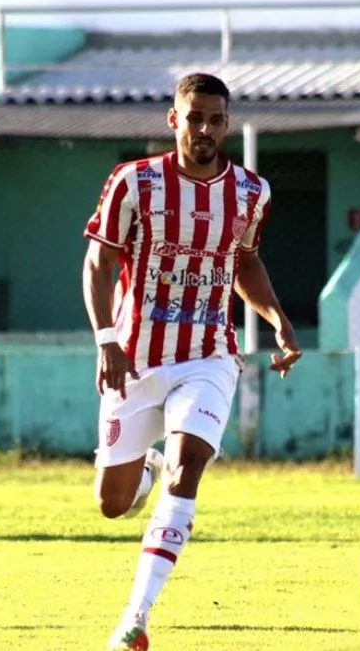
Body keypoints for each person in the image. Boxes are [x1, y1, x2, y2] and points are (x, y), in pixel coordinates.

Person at [81, 73, 302, 650]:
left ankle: (136, 617)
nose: (204, 129)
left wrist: (276, 318)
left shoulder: (252, 192)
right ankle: (144, 470)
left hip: (210, 353)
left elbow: (244, 263)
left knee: (189, 469)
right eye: (194, 117)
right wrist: (106, 339)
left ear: (227, 126)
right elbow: (98, 265)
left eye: (216, 120)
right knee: (111, 504)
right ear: (173, 120)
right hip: (134, 356)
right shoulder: (133, 182)